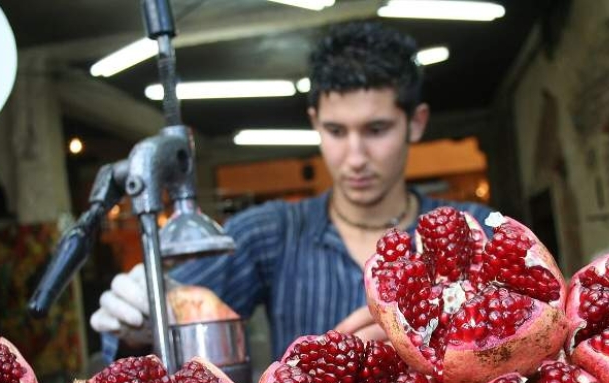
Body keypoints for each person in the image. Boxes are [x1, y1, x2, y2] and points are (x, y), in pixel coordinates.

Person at [91, 21, 494, 362]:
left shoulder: (471, 231)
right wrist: (140, 319)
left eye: (376, 130)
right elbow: (160, 326)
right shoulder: (273, 233)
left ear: (416, 123)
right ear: (315, 122)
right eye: (336, 131)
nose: (355, 156)